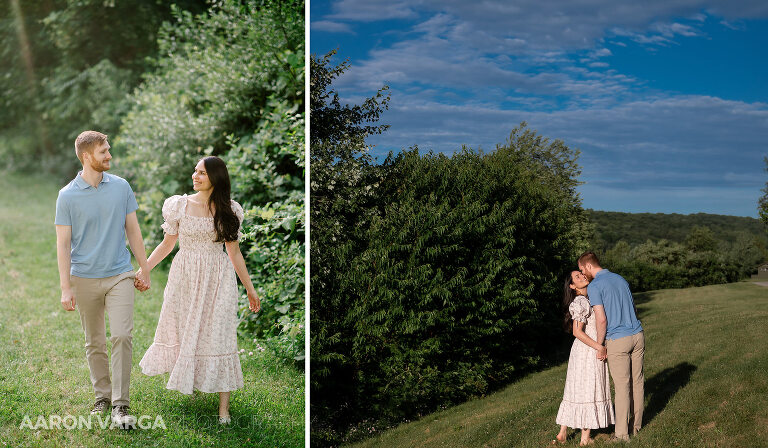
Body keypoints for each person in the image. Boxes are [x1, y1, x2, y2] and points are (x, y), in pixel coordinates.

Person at [137, 156, 261, 424]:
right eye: (195, 171)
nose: (195, 176)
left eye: (202, 173)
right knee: (186, 328)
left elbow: (234, 252)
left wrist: (250, 289)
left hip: (218, 276)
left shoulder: (230, 210)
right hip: (185, 275)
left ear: (215, 178)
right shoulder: (179, 205)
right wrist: (144, 269)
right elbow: (167, 245)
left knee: (220, 334)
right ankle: (190, 380)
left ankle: (223, 409)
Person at [55, 130, 151, 429]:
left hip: (120, 273)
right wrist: (66, 287)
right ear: (86, 156)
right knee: (94, 341)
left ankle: (121, 405)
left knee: (121, 335)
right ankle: (102, 397)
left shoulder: (121, 187)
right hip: (83, 278)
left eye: (108, 150)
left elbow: (133, 230)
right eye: (103, 152)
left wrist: (144, 267)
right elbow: (62, 243)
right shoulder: (67, 195)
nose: (109, 155)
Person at [578, 251, 644, 442]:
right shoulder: (620, 279)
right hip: (637, 335)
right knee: (637, 382)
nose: (583, 274)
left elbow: (601, 318)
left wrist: (600, 345)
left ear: (589, 266)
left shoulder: (596, 285)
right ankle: (636, 427)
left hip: (618, 339)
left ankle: (622, 435)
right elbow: (634, 307)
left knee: (622, 387)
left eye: (582, 270)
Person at [553, 271, 615, 445]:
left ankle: (562, 433)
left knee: (576, 390)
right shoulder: (581, 302)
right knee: (589, 389)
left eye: (581, 274)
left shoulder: (585, 300)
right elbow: (577, 332)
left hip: (581, 352)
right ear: (572, 286)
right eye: (577, 278)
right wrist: (599, 346)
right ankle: (585, 439)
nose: (582, 277)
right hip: (587, 351)